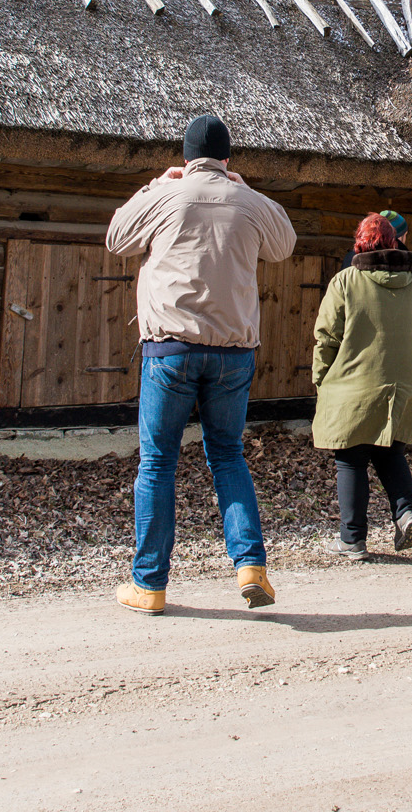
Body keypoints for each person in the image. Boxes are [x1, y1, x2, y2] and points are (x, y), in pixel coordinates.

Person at [104, 114, 298, 615]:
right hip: (234, 354)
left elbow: (116, 238)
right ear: (228, 159)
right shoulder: (250, 203)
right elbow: (284, 245)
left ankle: (149, 584)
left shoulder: (166, 196)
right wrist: (247, 189)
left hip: (171, 350)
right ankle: (250, 565)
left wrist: (154, 184)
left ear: (186, 158)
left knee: (158, 463)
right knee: (228, 456)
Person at [311, 214, 412, 560]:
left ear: (360, 242)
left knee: (351, 459)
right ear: (394, 241)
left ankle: (352, 540)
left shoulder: (345, 282)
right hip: (405, 389)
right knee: (390, 452)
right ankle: (406, 513)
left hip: (352, 388)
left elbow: (326, 338)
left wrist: (321, 379)